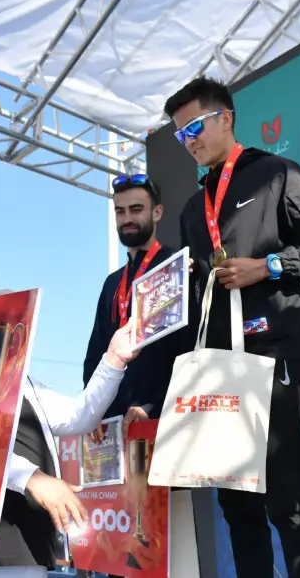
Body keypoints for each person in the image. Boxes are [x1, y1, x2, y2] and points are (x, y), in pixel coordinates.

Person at [164, 77, 300, 577]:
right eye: (180, 135)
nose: (189, 142)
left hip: (273, 355)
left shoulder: (276, 173)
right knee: (237, 508)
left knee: (287, 500)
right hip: (218, 369)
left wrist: (267, 267)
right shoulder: (192, 209)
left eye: (195, 128)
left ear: (225, 117)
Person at [0, 282, 142, 578]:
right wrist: (32, 478)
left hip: (24, 548)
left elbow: (77, 417)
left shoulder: (19, 379)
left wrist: (113, 359)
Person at [82, 175, 181, 431]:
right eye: (120, 211)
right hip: (114, 426)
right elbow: (95, 352)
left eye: (136, 209)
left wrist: (155, 406)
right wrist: (92, 410)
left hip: (165, 420)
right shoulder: (112, 283)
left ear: (157, 212)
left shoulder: (177, 266)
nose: (127, 218)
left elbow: (189, 348)